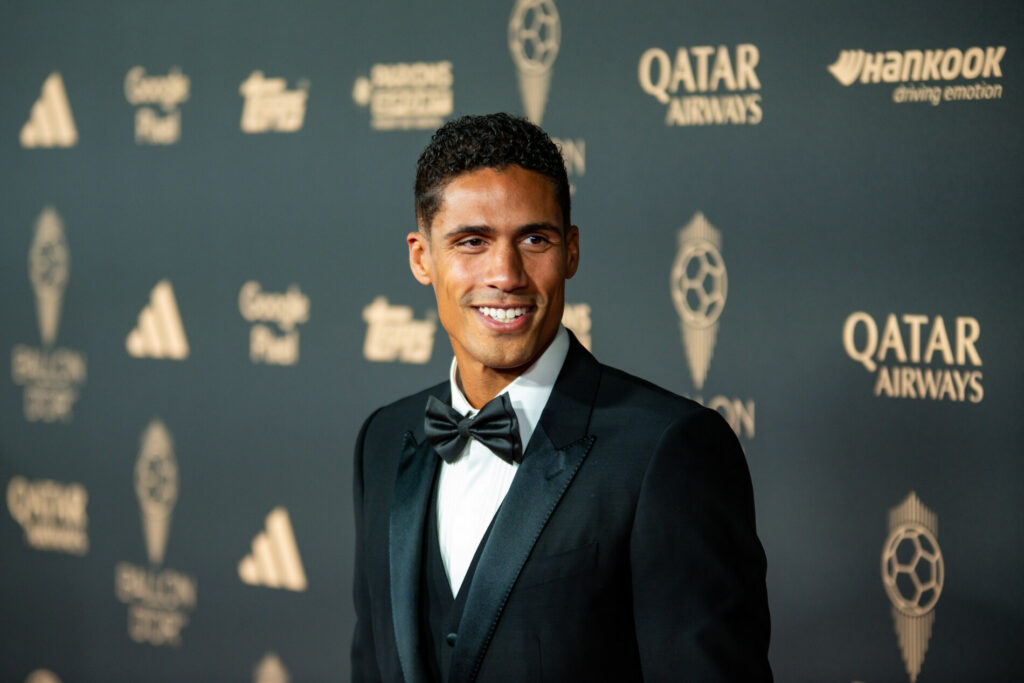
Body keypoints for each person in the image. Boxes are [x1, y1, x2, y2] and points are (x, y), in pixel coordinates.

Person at [351, 113, 772, 682]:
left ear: (571, 251)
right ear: (421, 258)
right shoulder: (383, 441)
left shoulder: (667, 451)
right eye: (472, 242)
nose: (506, 274)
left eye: (534, 239)